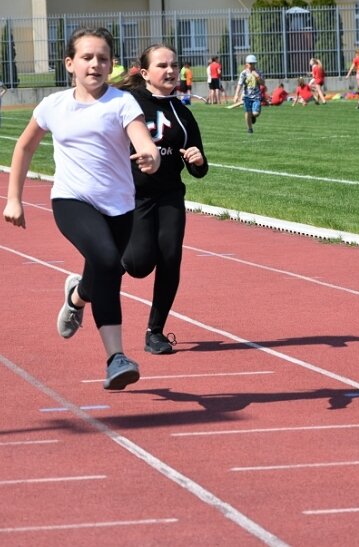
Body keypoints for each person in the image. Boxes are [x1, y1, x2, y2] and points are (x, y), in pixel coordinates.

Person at [2, 27, 160, 391]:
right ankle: (116, 358)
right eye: (87, 57)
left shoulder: (122, 103)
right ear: (70, 63)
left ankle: (77, 295)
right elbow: (24, 147)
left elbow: (142, 140)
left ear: (112, 65)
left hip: (119, 206)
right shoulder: (53, 106)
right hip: (71, 200)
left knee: (106, 269)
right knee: (107, 261)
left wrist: (149, 156)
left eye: (103, 58)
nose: (95, 64)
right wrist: (14, 198)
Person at [116, 44, 208, 355]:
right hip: (135, 195)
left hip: (170, 194)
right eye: (162, 65)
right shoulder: (128, 104)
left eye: (174, 65)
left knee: (170, 257)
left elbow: (199, 168)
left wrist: (198, 160)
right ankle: (114, 261)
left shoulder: (183, 113)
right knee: (140, 265)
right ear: (144, 73)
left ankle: (155, 331)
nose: (170, 71)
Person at [233, 54, 263, 134]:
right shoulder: (243, 73)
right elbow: (240, 84)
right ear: (247, 64)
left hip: (256, 96)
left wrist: (257, 77)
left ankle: (253, 116)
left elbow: (262, 83)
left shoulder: (258, 72)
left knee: (255, 113)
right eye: (250, 63)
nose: (251, 65)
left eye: (253, 63)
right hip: (247, 96)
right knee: (247, 112)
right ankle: (250, 129)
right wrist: (236, 95)